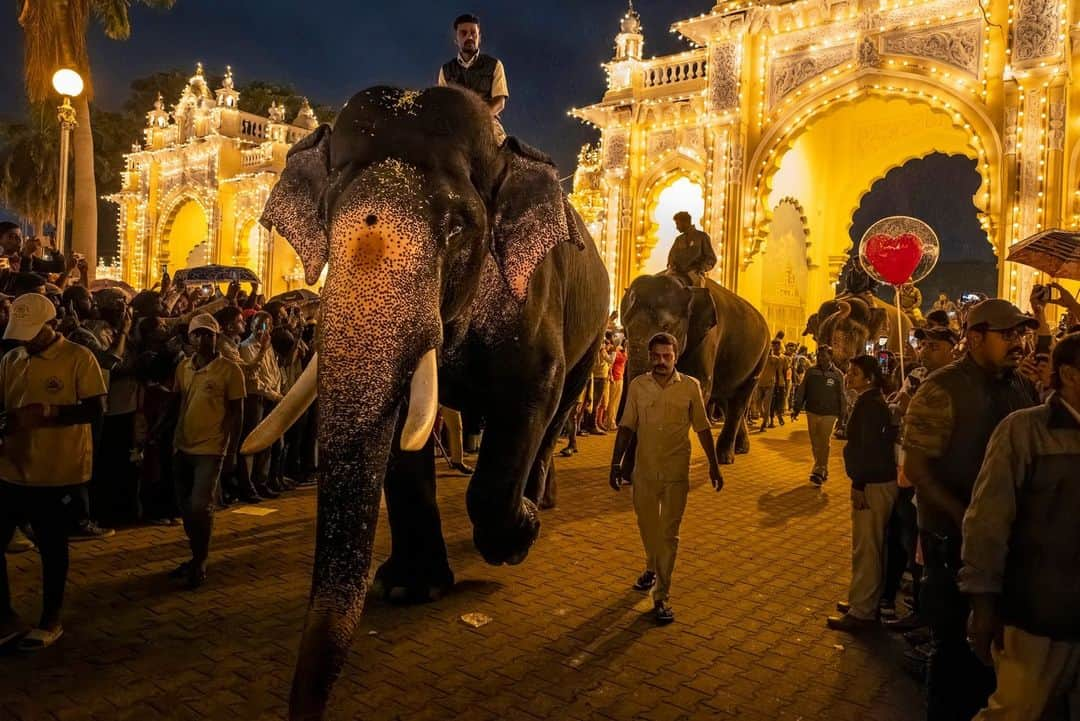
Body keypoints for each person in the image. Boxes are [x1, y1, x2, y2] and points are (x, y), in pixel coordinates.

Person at [902, 298, 1040, 721]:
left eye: (1020, 334)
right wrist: (967, 519)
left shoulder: (1021, 387)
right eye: (1007, 335)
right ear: (975, 338)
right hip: (951, 542)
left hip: (1004, 544)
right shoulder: (941, 389)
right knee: (955, 654)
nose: (1017, 343)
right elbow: (918, 470)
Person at [960, 332, 1080, 721]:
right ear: (1070, 375)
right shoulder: (1024, 432)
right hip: (1037, 611)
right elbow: (988, 521)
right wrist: (983, 599)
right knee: (1015, 710)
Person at [0, 293, 107, 650]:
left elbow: (95, 410)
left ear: (53, 325)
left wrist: (50, 413)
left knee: (51, 546)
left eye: (33, 333)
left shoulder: (79, 357)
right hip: (12, 467)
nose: (26, 341)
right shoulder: (12, 359)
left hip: (58, 470)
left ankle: (51, 618)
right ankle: (5, 616)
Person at [609, 332, 723, 625]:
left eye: (667, 356)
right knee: (647, 527)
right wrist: (615, 462)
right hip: (644, 473)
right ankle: (651, 567)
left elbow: (702, 427)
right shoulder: (637, 386)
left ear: (675, 357)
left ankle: (661, 596)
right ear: (650, 357)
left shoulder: (689, 387)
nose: (661, 362)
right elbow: (626, 427)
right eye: (656, 356)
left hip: (675, 474)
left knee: (669, 534)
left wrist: (713, 465)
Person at [166, 314, 245, 589]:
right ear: (190, 338)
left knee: (201, 505)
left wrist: (233, 450)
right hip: (182, 444)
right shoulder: (184, 368)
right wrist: (155, 435)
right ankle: (196, 553)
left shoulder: (230, 370)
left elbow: (237, 412)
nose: (202, 339)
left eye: (208, 334)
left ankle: (200, 559)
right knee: (186, 507)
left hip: (211, 448)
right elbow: (175, 403)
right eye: (197, 334)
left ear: (216, 337)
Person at [828, 355, 899, 632]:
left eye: (854, 373)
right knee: (868, 545)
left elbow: (868, 448)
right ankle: (861, 598)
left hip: (872, 484)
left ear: (869, 378)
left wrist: (859, 483)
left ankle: (863, 611)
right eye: (849, 371)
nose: (848, 376)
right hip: (875, 481)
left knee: (868, 547)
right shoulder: (870, 402)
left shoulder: (871, 406)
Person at [437, 13, 509, 143]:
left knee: (505, 156)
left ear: (479, 37)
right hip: (455, 129)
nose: (469, 36)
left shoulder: (495, 65)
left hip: (489, 125)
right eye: (463, 33)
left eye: (473, 33)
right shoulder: (445, 70)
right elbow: (442, 105)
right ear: (456, 39)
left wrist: (478, 120)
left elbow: (500, 101)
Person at [791, 345, 846, 486]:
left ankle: (819, 470)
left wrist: (842, 416)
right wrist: (796, 407)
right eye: (819, 355)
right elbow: (803, 390)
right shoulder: (811, 372)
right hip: (812, 411)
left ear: (830, 356)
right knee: (815, 442)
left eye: (824, 355)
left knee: (824, 441)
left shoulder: (838, 374)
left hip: (830, 413)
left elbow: (842, 396)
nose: (821, 358)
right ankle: (821, 468)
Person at [666, 212, 717, 287]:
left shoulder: (702, 237)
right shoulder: (679, 239)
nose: (677, 227)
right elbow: (671, 257)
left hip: (694, 274)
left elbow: (711, 258)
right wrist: (671, 266)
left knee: (697, 291)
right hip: (677, 273)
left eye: (677, 224)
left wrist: (700, 269)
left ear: (685, 222)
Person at [757, 340, 784, 432]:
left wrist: (779, 384)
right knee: (758, 403)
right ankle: (765, 418)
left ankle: (764, 423)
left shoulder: (776, 359)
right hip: (760, 383)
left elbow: (779, 372)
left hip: (770, 384)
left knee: (767, 404)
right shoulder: (760, 358)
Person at [606, 339, 627, 431]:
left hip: (620, 377)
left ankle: (611, 420)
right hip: (615, 377)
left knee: (616, 401)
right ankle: (610, 422)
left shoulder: (624, 351)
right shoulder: (617, 351)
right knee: (612, 401)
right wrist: (610, 375)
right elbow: (610, 364)